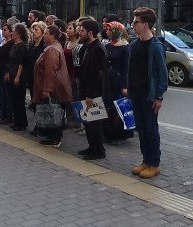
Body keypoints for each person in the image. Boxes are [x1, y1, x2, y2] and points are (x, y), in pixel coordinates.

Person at [127, 7, 168, 178]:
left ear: (146, 24)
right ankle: (145, 160)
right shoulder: (134, 44)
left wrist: (159, 96)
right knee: (141, 129)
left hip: (149, 95)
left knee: (151, 129)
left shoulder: (156, 46)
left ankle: (154, 163)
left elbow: (162, 75)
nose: (132, 25)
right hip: (136, 94)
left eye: (136, 22)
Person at [33, 25, 73, 147]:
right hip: (56, 87)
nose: (44, 36)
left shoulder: (51, 50)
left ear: (52, 35)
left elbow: (51, 70)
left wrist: (47, 89)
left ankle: (54, 138)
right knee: (55, 111)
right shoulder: (55, 46)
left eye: (46, 33)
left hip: (53, 88)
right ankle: (53, 137)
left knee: (53, 112)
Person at [77, 19, 108, 160]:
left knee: (94, 122)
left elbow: (97, 75)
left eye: (82, 30)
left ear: (90, 32)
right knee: (88, 121)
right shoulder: (88, 46)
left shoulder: (98, 49)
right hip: (86, 90)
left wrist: (90, 94)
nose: (79, 32)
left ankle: (98, 150)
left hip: (93, 93)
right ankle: (91, 147)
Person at [104, 21, 133, 142]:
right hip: (108, 79)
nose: (108, 32)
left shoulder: (125, 47)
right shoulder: (107, 45)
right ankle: (107, 131)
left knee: (117, 106)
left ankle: (118, 132)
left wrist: (124, 86)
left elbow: (126, 68)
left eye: (110, 30)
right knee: (108, 105)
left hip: (118, 79)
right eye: (107, 30)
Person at [7, 23, 29, 130]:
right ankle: (17, 121)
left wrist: (17, 76)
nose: (12, 34)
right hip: (12, 72)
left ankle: (21, 122)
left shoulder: (22, 46)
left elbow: (22, 63)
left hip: (18, 75)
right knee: (14, 99)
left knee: (19, 99)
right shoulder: (14, 45)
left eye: (14, 32)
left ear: (19, 34)